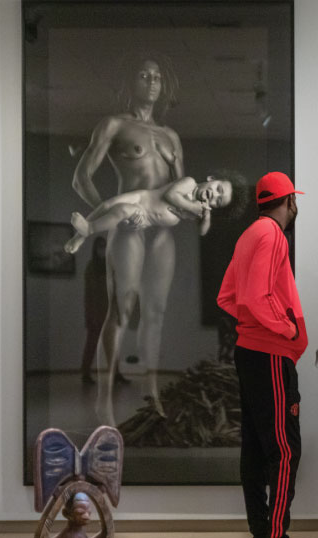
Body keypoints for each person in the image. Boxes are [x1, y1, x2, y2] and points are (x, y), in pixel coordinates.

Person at [217, 172, 318, 538]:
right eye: (295, 200)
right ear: (288, 201)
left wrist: (257, 326)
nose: (296, 207)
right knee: (283, 450)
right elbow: (258, 296)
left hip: (250, 352)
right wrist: (286, 328)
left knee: (257, 450)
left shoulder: (247, 235)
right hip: (271, 355)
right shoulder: (272, 235)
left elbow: (228, 295)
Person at [72, 51, 182, 423]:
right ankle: (104, 400)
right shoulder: (114, 126)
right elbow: (80, 177)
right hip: (129, 230)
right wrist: (113, 214)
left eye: (156, 77)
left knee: (156, 311)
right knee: (121, 308)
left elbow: (182, 187)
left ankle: (152, 395)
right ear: (131, 83)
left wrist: (193, 208)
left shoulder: (170, 136)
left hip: (162, 232)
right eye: (144, 74)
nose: (152, 81)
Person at [64, 175, 237, 255]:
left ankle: (90, 228)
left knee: (123, 211)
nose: (215, 195)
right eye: (218, 189)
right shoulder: (190, 183)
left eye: (218, 201)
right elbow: (171, 196)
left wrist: (206, 217)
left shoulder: (200, 209)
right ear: (211, 179)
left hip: (143, 218)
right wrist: (193, 208)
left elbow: (202, 231)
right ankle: (81, 235)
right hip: (143, 198)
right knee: (108, 205)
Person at [81, 237, 108, 384]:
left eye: (104, 247)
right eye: (100, 247)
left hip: (109, 312)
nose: (102, 250)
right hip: (95, 313)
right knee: (91, 344)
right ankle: (85, 373)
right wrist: (90, 316)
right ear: (95, 249)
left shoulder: (109, 266)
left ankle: (116, 374)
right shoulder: (91, 268)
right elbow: (89, 295)